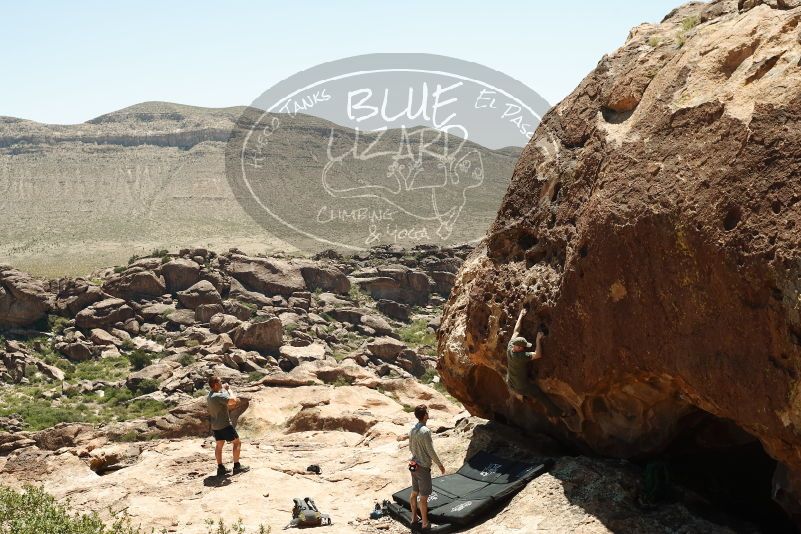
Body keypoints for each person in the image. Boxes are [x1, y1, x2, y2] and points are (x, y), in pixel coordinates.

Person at [506, 305, 567, 417]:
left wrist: (521, 315)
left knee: (517, 377)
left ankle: (522, 396)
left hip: (510, 381)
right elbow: (538, 355)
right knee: (539, 394)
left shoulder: (511, 344)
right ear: (519, 348)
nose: (524, 349)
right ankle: (559, 413)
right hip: (521, 386)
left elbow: (516, 330)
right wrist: (538, 340)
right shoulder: (520, 356)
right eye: (523, 347)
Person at [408, 404, 445, 531]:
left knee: (414, 492)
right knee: (423, 496)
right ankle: (424, 523)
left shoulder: (412, 429)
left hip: (413, 464)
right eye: (427, 413)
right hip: (423, 467)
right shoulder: (425, 431)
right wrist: (439, 464)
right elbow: (431, 451)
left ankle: (413, 518)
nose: (428, 414)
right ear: (424, 416)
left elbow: (410, 447)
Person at [207, 376, 249, 477]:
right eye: (220, 382)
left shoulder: (210, 395)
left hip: (216, 426)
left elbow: (221, 396)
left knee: (219, 445)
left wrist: (224, 390)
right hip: (225, 425)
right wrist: (229, 390)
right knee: (237, 443)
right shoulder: (218, 396)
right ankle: (237, 466)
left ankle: (220, 468)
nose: (222, 383)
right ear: (216, 384)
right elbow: (233, 401)